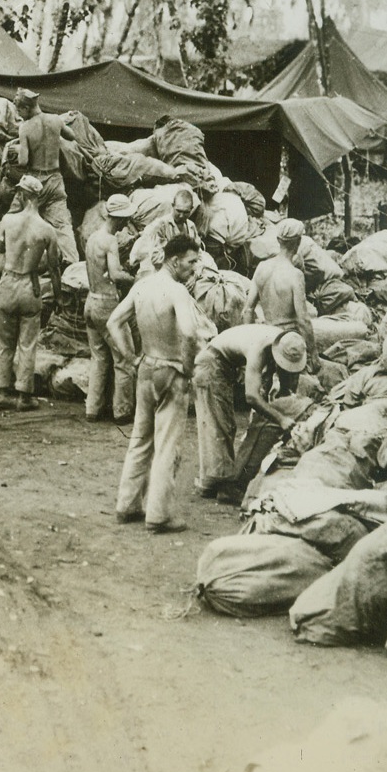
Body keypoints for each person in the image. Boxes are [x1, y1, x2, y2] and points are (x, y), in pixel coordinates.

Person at [107, 234, 203, 534]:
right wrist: (187, 369)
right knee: (166, 445)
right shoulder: (176, 291)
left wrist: (130, 357)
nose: (195, 267)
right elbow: (188, 332)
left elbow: (113, 323)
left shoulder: (142, 286)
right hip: (171, 369)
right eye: (191, 262)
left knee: (140, 438)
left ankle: (127, 504)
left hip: (146, 367)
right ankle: (159, 514)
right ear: (174, 261)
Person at [192, 324, 308, 505]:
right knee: (219, 426)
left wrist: (284, 405)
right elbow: (251, 396)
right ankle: (215, 485)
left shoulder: (285, 343)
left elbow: (285, 388)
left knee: (224, 426)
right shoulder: (260, 348)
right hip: (211, 363)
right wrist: (280, 418)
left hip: (226, 365)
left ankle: (217, 481)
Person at [0, 175, 62, 412]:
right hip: (30, 285)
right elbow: (54, 267)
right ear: (38, 197)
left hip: (8, 281)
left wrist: (5, 246)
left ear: (22, 194)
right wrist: (58, 296)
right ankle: (23, 395)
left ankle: (1, 390)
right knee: (28, 343)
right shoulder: (47, 230)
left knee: (3, 340)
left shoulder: (8, 221)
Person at [10, 88, 78, 265]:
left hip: (35, 181)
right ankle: (72, 262)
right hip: (55, 180)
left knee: (14, 217)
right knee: (62, 225)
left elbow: (23, 162)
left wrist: (19, 149)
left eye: (19, 110)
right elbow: (72, 136)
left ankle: (0, 256)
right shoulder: (55, 119)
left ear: (26, 107)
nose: (19, 114)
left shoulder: (25, 128)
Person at [84, 194, 136, 423]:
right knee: (125, 357)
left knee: (99, 357)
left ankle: (92, 409)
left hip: (91, 301)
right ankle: (122, 412)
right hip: (107, 303)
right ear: (120, 218)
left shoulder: (92, 237)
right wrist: (132, 277)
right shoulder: (110, 241)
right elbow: (115, 274)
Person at [244, 218, 318, 370]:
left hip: (266, 336)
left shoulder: (262, 267)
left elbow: (247, 309)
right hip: (288, 341)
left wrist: (250, 345)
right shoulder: (295, 275)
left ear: (278, 240)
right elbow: (303, 319)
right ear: (298, 243)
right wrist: (314, 354)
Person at [131, 189, 202, 277]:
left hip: (186, 271)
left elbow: (198, 253)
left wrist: (194, 275)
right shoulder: (160, 226)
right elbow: (154, 258)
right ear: (173, 206)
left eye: (186, 212)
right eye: (178, 211)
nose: (181, 216)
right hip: (160, 271)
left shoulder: (191, 227)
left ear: (191, 209)